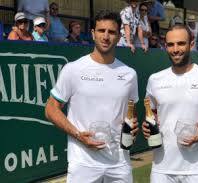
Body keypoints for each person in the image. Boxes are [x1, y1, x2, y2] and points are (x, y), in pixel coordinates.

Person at [45, 10, 139, 183]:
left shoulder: (129, 74)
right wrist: (78, 134)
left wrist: (133, 127)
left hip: (119, 163)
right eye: (101, 31)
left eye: (111, 32)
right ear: (93, 33)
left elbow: (130, 114)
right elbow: (51, 109)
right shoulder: (73, 69)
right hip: (83, 163)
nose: (106, 36)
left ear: (119, 37)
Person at [142, 25, 198, 183]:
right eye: (170, 44)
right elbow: (153, 114)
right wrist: (147, 126)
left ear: (191, 44)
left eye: (181, 43)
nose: (175, 49)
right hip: (161, 170)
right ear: (165, 46)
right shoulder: (155, 80)